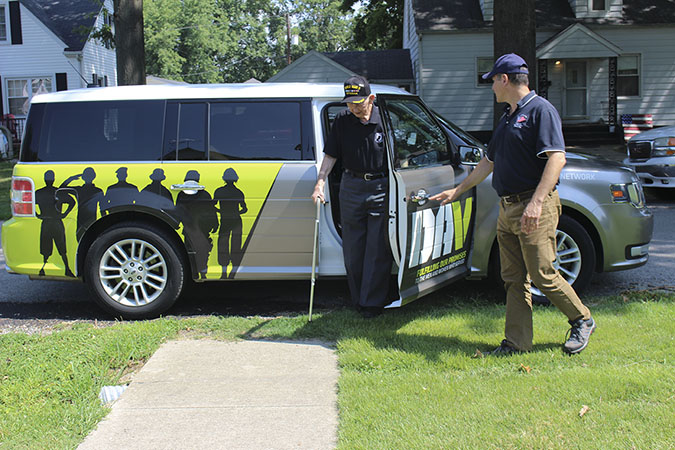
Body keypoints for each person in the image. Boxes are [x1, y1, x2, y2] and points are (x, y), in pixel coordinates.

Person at [430, 53, 596, 355]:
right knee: (513, 280)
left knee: (543, 273)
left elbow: (557, 158)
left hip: (533, 207)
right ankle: (517, 343)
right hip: (507, 208)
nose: (492, 86)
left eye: (493, 80)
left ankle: (582, 319)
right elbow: (488, 162)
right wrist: (457, 191)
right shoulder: (508, 116)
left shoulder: (540, 111)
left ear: (505, 79)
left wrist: (535, 203)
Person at [312, 75, 392, 318]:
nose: (354, 107)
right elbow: (330, 156)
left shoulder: (385, 119)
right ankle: (359, 300)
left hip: (380, 187)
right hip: (351, 186)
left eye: (358, 102)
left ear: (371, 98)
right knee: (354, 248)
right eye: (349, 102)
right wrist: (320, 182)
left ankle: (372, 304)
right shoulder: (342, 120)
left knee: (378, 248)